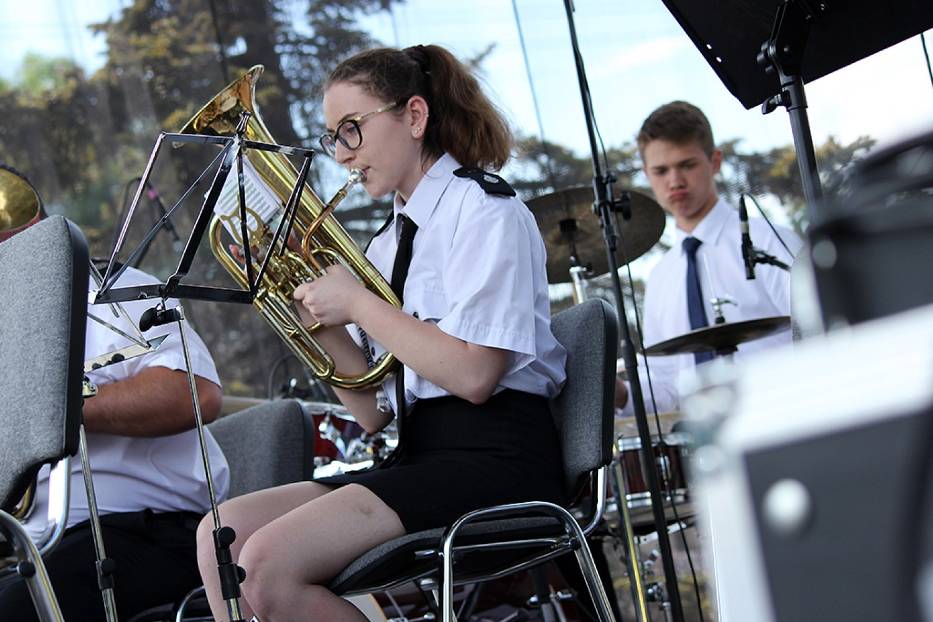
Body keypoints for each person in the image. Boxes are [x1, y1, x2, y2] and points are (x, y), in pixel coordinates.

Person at [195, 44, 568, 622]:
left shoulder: (485, 210)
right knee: (223, 533)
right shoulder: (384, 245)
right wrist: (304, 311)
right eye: (332, 138)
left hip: (499, 457)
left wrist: (360, 304)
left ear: (414, 117)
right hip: (420, 454)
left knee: (267, 564)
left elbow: (474, 376)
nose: (342, 155)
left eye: (352, 131)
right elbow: (371, 412)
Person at [0, 164, 230, 621]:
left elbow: (193, 395)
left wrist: (47, 406)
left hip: (151, 531)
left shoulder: (113, 291)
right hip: (36, 543)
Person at [615, 101, 803, 416]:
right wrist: (618, 394)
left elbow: (818, 328)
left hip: (782, 417)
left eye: (687, 165)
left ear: (714, 161)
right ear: (647, 174)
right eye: (661, 171)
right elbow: (665, 388)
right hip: (707, 444)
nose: (674, 181)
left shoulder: (768, 240)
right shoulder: (661, 278)